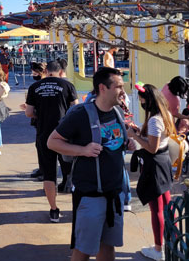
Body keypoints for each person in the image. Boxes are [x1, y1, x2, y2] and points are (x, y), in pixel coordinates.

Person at [47, 67, 130, 261]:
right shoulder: (80, 114)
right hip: (90, 196)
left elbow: (116, 143)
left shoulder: (117, 111)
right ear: (103, 88)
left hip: (114, 194)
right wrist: (82, 150)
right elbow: (52, 142)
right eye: (118, 86)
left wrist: (130, 143)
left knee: (108, 247)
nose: (123, 90)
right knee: (83, 250)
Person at [24, 60, 78, 222]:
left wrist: (40, 116)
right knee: (72, 171)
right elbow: (75, 110)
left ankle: (54, 209)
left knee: (49, 174)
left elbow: (28, 113)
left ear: (47, 71)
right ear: (61, 71)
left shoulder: (35, 87)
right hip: (64, 135)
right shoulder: (68, 86)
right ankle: (76, 207)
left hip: (44, 134)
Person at [127, 84, 175, 261]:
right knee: (168, 206)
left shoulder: (155, 120)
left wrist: (134, 136)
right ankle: (173, 242)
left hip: (154, 165)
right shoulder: (166, 115)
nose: (140, 101)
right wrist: (140, 133)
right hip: (164, 162)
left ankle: (158, 249)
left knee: (157, 210)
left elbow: (152, 148)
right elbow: (158, 141)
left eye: (141, 99)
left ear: (149, 100)